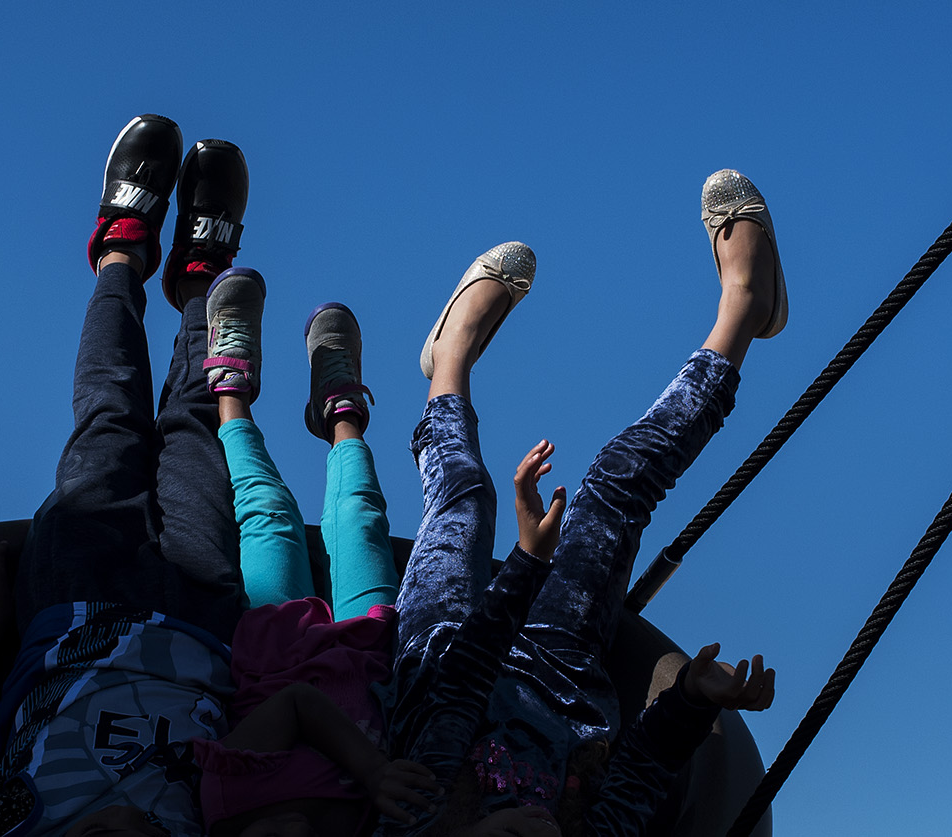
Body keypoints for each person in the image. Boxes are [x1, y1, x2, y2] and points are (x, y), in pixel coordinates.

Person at [386, 170, 787, 837]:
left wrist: (525, 563)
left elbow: (461, 681)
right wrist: (691, 697)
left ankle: (449, 358)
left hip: (447, 660)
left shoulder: (423, 815)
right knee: (616, 484)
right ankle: (743, 310)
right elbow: (641, 772)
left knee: (464, 497)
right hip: (564, 679)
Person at [0, 114, 256, 837]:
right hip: (200, 625)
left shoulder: (7, 829)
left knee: (109, 414)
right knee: (198, 425)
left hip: (73, 604)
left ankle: (120, 249)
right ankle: (200, 278)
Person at [186, 287, 417, 837]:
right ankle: (340, 414)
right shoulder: (356, 828)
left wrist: (372, 770)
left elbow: (296, 703)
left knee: (269, 514)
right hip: (370, 650)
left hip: (277, 650)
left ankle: (231, 392)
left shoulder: (228, 799)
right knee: (361, 516)